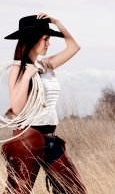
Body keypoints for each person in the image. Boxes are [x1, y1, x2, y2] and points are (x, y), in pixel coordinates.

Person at [1, 13, 87, 194]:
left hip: (50, 139)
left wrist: (57, 22)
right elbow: (16, 107)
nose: (49, 43)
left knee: (74, 190)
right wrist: (27, 76)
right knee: (19, 191)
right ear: (32, 39)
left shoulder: (46, 65)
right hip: (27, 138)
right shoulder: (18, 68)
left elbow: (74, 47)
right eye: (45, 39)